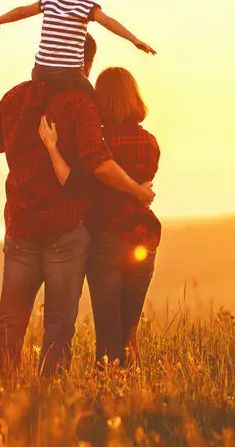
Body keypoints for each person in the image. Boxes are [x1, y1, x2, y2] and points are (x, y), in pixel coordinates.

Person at [0, 35, 155, 377]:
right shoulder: (80, 104)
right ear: (84, 63)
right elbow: (98, 162)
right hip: (64, 227)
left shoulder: (15, 96)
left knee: (10, 320)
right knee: (59, 323)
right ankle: (50, 394)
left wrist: (28, 140)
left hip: (20, 224)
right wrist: (137, 190)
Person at [39, 67, 160, 368]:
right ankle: (132, 397)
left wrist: (53, 148)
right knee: (128, 332)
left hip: (105, 241)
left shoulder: (96, 145)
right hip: (142, 240)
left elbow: (76, 183)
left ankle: (107, 398)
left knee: (108, 333)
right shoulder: (150, 143)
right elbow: (145, 183)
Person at [0, 0, 156, 96]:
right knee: (92, 103)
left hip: (40, 72)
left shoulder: (49, 0)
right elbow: (109, 22)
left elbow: (21, 11)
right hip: (68, 75)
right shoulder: (86, 6)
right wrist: (134, 39)